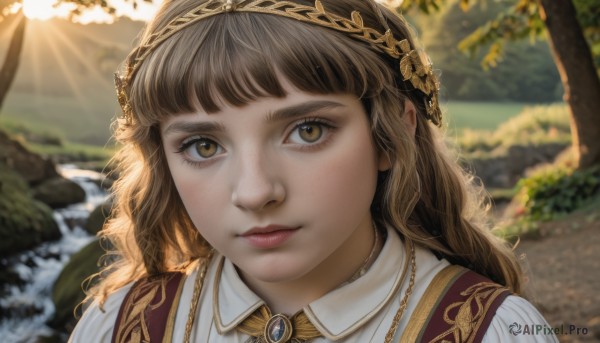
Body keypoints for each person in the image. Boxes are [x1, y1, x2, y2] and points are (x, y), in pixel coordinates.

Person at [69, 0, 557, 342]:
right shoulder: (119, 326)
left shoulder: (495, 331)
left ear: (394, 134)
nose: (257, 192)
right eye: (203, 144)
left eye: (307, 131)